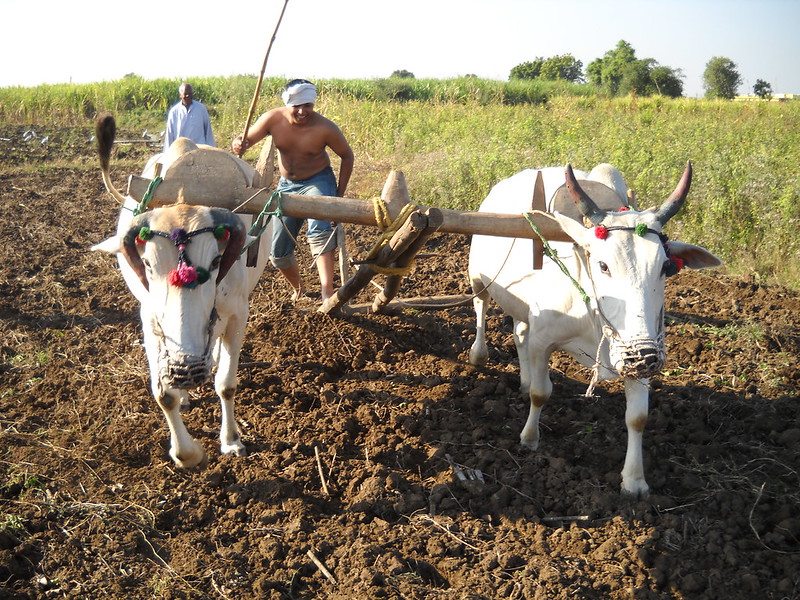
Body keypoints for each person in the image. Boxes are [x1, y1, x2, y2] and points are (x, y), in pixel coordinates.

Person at [231, 79, 354, 303]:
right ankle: (299, 288)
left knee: (319, 230)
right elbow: (246, 140)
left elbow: (347, 155)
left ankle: (327, 291)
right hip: (286, 185)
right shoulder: (272, 119)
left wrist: (339, 194)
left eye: (308, 105)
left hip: (318, 181)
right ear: (288, 103)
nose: (302, 111)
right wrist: (238, 143)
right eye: (297, 105)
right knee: (277, 251)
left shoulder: (324, 128)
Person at [163, 82, 215, 151]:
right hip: (180, 151)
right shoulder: (174, 112)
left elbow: (208, 132)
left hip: (199, 150)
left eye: (190, 94)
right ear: (180, 95)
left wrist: (211, 150)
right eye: (185, 94)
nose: (187, 96)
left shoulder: (201, 109)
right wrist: (167, 154)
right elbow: (169, 135)